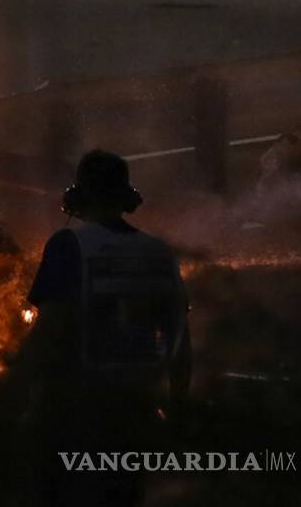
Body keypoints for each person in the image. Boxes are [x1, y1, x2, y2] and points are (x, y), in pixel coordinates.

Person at [21, 149, 191, 506]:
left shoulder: (69, 244)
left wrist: (17, 393)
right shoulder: (159, 252)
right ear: (127, 198)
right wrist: (176, 409)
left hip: (74, 414)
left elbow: (52, 329)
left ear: (76, 198)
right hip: (136, 411)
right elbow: (180, 342)